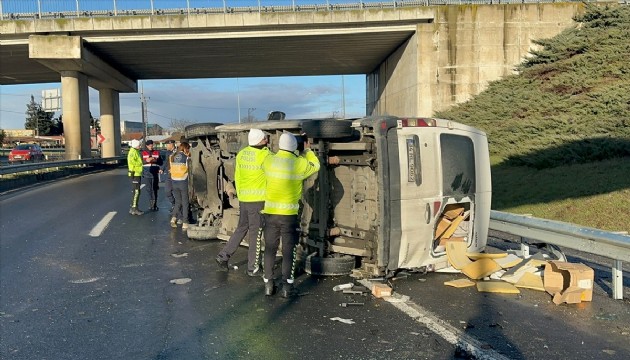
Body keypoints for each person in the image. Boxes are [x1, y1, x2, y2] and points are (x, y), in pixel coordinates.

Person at [262, 132, 320, 298]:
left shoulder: (269, 160)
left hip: (270, 213)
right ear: (294, 147)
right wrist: (307, 149)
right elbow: (315, 165)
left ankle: (268, 284)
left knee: (270, 249)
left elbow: (267, 157)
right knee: (288, 251)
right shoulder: (299, 163)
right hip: (289, 215)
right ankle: (287, 287)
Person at [216, 129, 270, 276]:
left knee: (241, 228)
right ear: (260, 140)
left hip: (244, 199)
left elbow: (237, 176)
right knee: (256, 233)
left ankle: (223, 255)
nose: (267, 140)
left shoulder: (242, 154)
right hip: (258, 200)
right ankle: (253, 268)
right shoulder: (265, 155)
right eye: (265, 138)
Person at [169, 142, 191, 230]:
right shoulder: (186, 158)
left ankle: (173, 218)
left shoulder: (172, 156)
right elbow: (190, 169)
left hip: (174, 181)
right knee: (185, 202)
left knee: (178, 201)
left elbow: (170, 169)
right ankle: (185, 222)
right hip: (183, 181)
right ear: (185, 148)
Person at [141, 139, 163, 211]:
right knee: (149, 189)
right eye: (150, 145)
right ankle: (151, 204)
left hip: (155, 172)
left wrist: (160, 167)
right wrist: (146, 160)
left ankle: (155, 204)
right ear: (147, 146)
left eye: (152, 145)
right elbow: (140, 162)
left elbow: (161, 162)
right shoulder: (143, 153)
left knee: (155, 189)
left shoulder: (156, 152)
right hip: (147, 172)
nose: (151, 147)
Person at [160, 139, 177, 216]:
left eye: (167, 145)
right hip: (169, 174)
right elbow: (166, 161)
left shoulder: (178, 152)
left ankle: (178, 207)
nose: (166, 146)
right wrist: (162, 169)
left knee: (177, 192)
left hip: (177, 174)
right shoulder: (168, 153)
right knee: (167, 191)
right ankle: (174, 203)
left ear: (171, 144)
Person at [127, 139, 144, 215]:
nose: (140, 146)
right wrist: (140, 164)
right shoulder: (133, 152)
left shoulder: (135, 151)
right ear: (135, 145)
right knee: (136, 191)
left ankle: (133, 207)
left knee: (136, 191)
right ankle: (134, 208)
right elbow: (132, 161)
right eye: (139, 145)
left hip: (137, 173)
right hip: (135, 173)